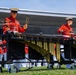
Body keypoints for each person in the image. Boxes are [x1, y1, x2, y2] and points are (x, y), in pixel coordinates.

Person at [2, 8, 28, 72]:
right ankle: (9, 68)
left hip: (16, 40)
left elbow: (20, 31)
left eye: (16, 13)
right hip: (10, 40)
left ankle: (17, 68)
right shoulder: (7, 20)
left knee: (17, 54)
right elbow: (5, 30)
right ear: (11, 13)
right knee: (10, 55)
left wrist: (24, 28)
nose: (15, 14)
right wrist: (11, 31)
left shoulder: (17, 22)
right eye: (13, 12)